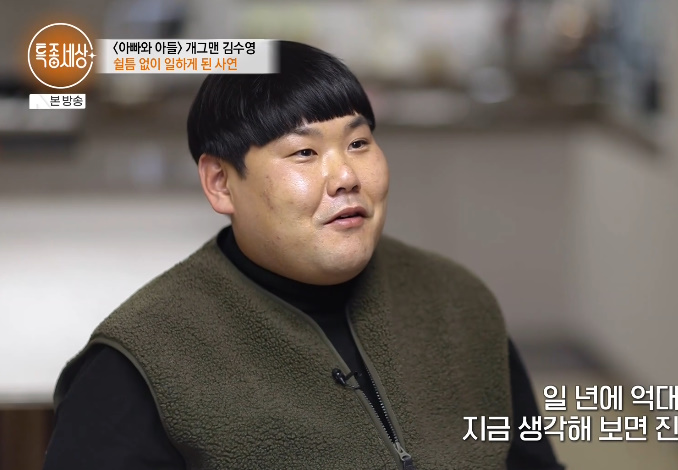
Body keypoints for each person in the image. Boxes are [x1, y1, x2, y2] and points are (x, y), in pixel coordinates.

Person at [43, 41, 566, 470]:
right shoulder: (137, 365)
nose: (346, 177)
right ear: (221, 182)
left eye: (358, 143)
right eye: (305, 152)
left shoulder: (457, 302)